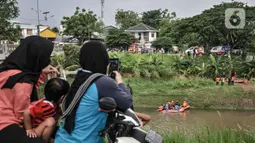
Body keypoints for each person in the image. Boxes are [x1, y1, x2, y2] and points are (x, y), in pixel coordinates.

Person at [55, 41, 132, 143]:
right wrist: (119, 81)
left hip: (63, 138)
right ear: (104, 59)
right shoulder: (103, 82)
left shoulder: (80, 77)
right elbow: (127, 102)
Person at [0, 36, 57, 143]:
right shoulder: (24, 82)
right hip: (5, 122)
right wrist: (43, 102)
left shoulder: (7, 69)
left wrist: (41, 73)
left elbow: (15, 89)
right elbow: (21, 113)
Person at [23, 78, 70, 142]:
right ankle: (45, 141)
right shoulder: (44, 106)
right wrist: (29, 129)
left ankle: (48, 139)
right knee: (51, 121)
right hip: (36, 132)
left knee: (52, 122)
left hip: (44, 129)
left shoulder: (54, 105)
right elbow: (26, 112)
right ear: (62, 98)